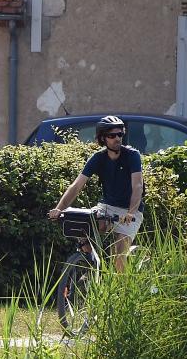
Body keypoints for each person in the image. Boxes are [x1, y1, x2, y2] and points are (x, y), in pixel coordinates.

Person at [47, 115, 143, 271]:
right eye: (112, 135)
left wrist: (131, 212)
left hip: (130, 212)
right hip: (106, 207)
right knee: (79, 223)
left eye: (120, 134)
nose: (117, 138)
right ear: (103, 138)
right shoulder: (98, 158)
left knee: (118, 257)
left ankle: (124, 291)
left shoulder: (132, 156)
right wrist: (59, 209)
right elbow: (76, 186)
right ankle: (92, 264)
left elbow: (137, 186)